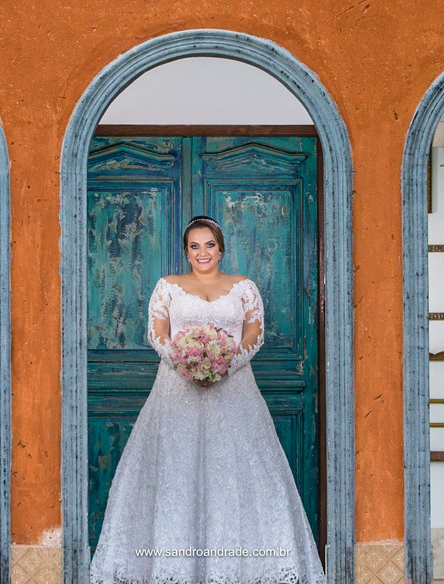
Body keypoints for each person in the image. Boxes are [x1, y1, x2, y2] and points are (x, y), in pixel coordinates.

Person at [89, 215, 327, 584]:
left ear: (221, 247)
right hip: (174, 393)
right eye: (194, 246)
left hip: (236, 391)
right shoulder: (167, 286)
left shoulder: (243, 287)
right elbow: (157, 333)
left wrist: (224, 365)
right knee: (173, 476)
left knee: (237, 475)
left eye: (209, 245)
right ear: (186, 251)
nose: (203, 253)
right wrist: (185, 365)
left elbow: (254, 333)